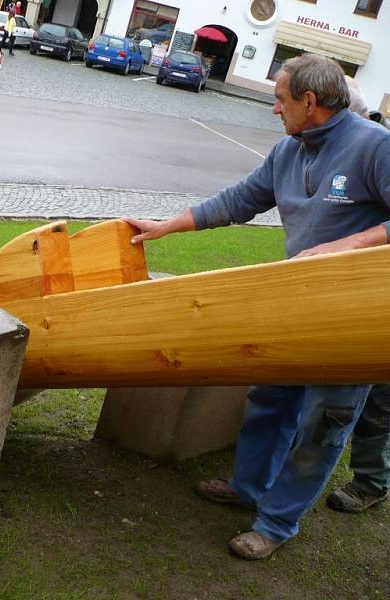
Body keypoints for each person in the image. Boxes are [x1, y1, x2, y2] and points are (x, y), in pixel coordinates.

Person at [122, 54, 390, 560]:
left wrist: (353, 243)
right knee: (270, 399)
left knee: (322, 424)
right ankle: (248, 487)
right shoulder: (289, 151)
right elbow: (240, 199)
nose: (273, 110)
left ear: (309, 103)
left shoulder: (375, 147)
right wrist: (164, 227)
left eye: (279, 99)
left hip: (355, 317)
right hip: (294, 305)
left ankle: (276, 522)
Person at [325, 77, 390, 514]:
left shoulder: (378, 149)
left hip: (381, 300)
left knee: (379, 403)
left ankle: (371, 482)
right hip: (353, 295)